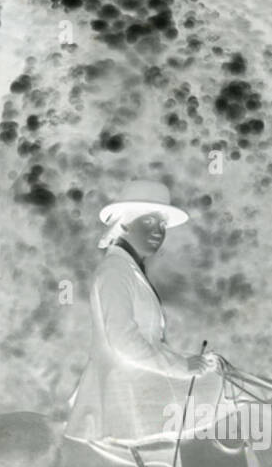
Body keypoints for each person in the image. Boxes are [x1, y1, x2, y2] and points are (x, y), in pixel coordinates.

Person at [66, 179, 221, 447]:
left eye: (162, 224)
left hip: (139, 379)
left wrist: (193, 361)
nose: (158, 230)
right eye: (148, 222)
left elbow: (150, 343)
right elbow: (124, 342)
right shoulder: (115, 271)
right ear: (125, 224)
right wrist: (183, 367)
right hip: (122, 386)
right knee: (219, 393)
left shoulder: (131, 270)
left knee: (220, 381)